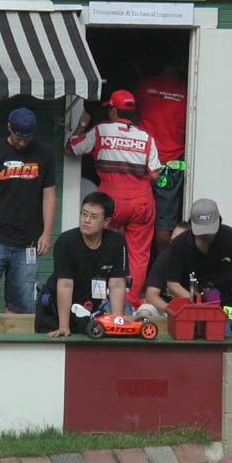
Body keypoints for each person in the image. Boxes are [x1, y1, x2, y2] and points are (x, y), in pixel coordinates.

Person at [65, 89, 161, 310]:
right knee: (138, 254)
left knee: (98, 245)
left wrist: (82, 124)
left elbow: (71, 148)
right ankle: (131, 301)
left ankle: (96, 298)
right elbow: (155, 174)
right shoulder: (146, 137)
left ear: (114, 111)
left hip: (110, 198)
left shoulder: (101, 131)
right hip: (141, 200)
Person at [0, 107, 56, 314]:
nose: (22, 143)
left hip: (28, 241)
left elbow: (49, 194)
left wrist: (47, 233)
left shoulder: (45, 154)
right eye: (18, 138)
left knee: (23, 304)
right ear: (9, 128)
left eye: (27, 138)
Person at [35, 192, 129, 337]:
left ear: (106, 221)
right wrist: (63, 326)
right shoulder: (66, 241)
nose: (86, 220)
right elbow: (65, 284)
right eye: (84, 214)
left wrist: (118, 325)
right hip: (55, 310)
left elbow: (116, 284)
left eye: (94, 217)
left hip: (87, 310)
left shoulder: (116, 242)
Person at [166, 198, 232, 320]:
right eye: (201, 232)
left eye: (210, 230)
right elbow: (172, 283)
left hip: (225, 304)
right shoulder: (179, 244)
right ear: (191, 225)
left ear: (219, 222)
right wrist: (197, 302)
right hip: (190, 305)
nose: (206, 235)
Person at [135, 62, 188, 256]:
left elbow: (133, 116)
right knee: (165, 220)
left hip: (143, 161)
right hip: (172, 164)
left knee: (135, 215)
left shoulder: (144, 86)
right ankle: (161, 265)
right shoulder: (187, 91)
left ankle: (132, 262)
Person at [135, 221, 190, 318]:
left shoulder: (198, 260)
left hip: (192, 311)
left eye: (178, 242)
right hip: (165, 308)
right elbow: (151, 295)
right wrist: (171, 310)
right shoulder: (165, 256)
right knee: (144, 311)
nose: (174, 246)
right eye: (172, 241)